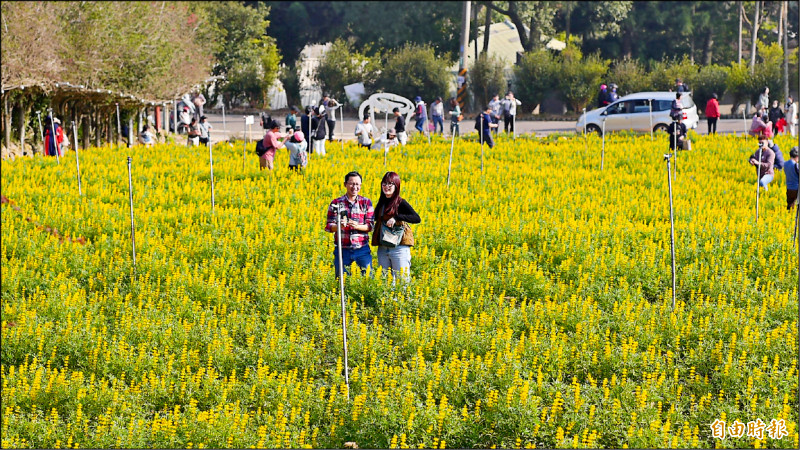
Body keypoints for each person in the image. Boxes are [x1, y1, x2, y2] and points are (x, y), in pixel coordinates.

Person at [371, 171, 421, 282]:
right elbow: (374, 219)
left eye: (390, 184)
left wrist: (396, 218)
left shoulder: (401, 202)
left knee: (402, 282)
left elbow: (416, 218)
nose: (386, 187)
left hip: (399, 248)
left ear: (396, 185)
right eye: (384, 184)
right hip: (383, 247)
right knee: (385, 282)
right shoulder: (382, 202)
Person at [325, 171, 375, 277]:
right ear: (345, 184)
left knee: (368, 279)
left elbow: (370, 226)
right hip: (342, 249)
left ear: (360, 185)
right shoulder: (336, 203)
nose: (354, 187)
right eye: (351, 183)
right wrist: (339, 225)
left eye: (357, 184)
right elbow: (329, 226)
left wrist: (357, 226)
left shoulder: (366, 202)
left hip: (362, 249)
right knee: (341, 280)